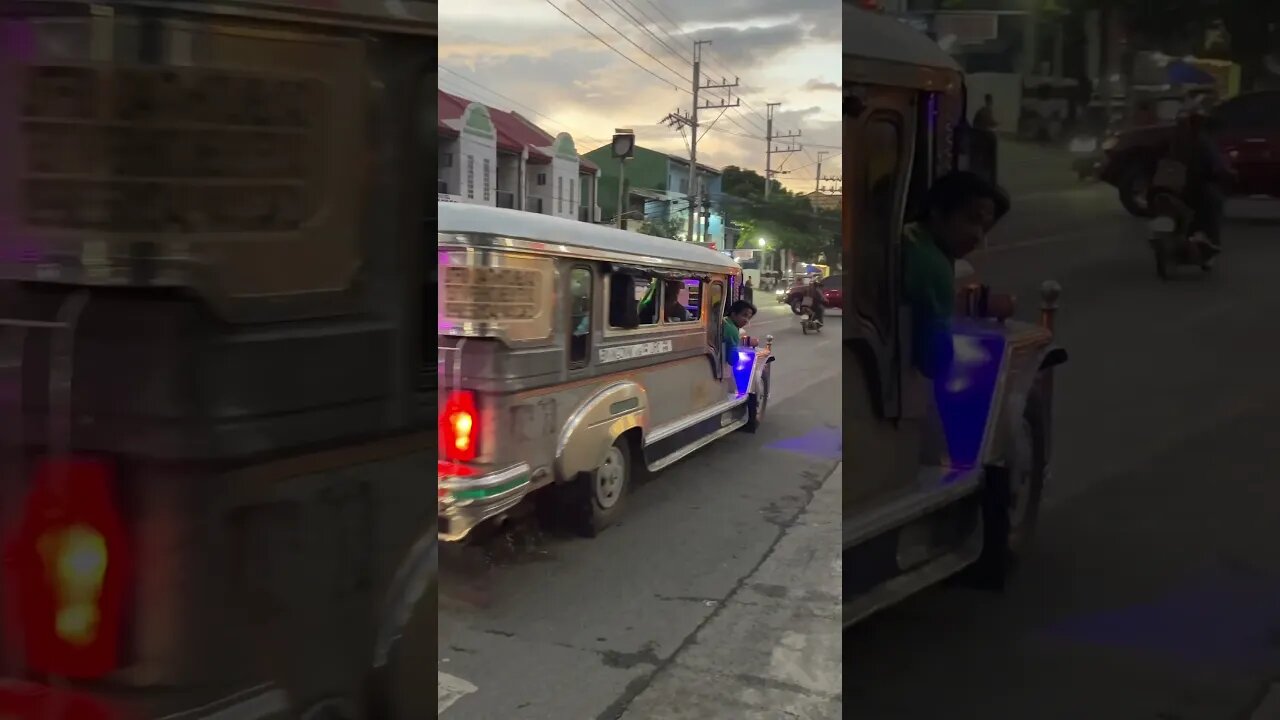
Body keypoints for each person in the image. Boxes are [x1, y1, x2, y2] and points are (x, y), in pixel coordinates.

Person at [902, 171, 1009, 379]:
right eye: (972, 220)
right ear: (938, 212)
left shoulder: (910, 238)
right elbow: (935, 360)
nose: (978, 236)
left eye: (985, 229)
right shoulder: (932, 263)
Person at [1164, 108, 1232, 252]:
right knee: (1215, 202)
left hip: (1170, 187)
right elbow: (1217, 166)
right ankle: (1211, 240)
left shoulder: (1173, 140)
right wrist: (1228, 172)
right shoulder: (1204, 142)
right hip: (1194, 187)